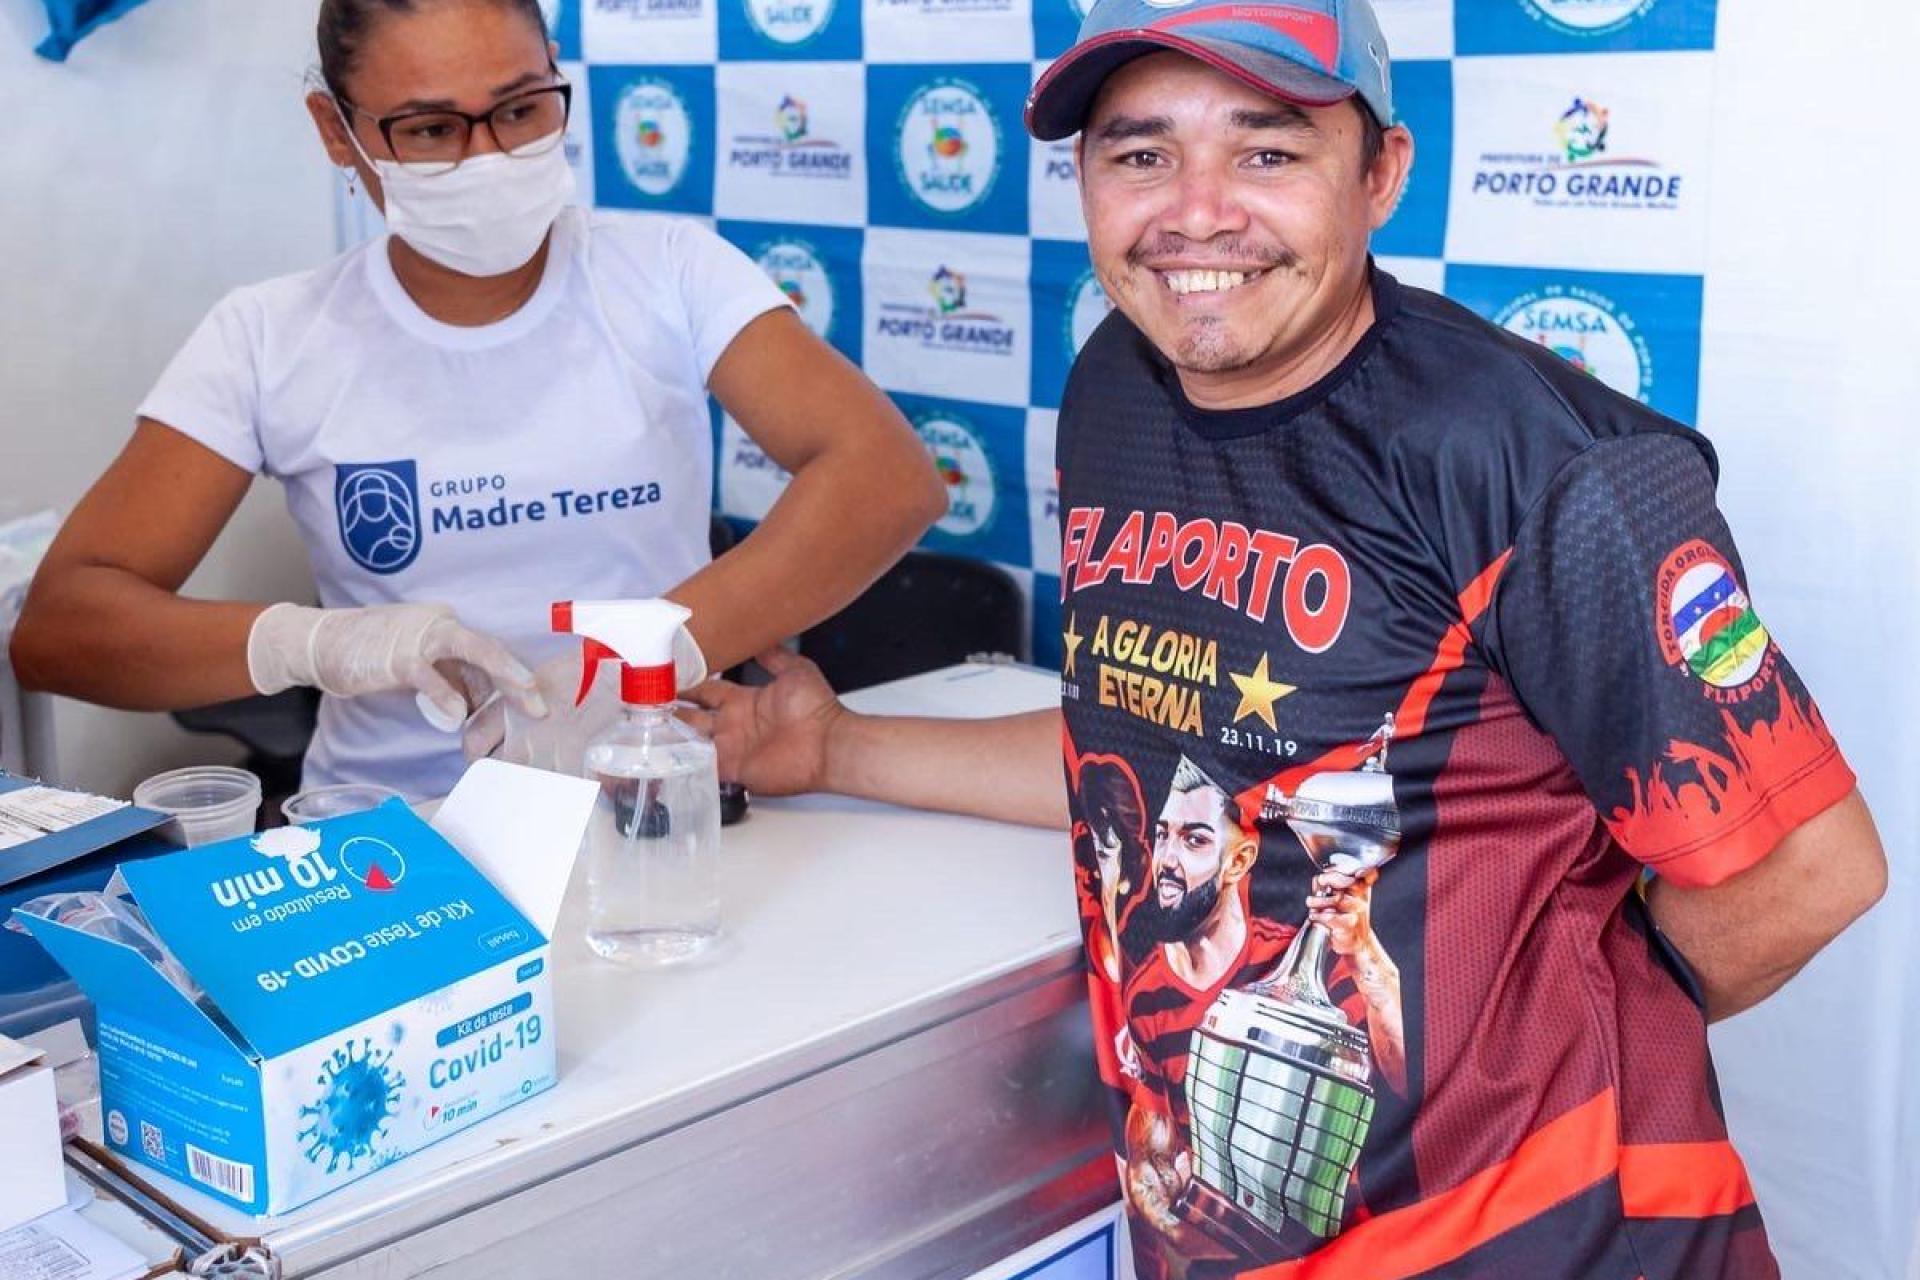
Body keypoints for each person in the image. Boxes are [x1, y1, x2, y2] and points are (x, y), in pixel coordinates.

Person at [687, 0, 1888, 1274]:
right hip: (1222, 1237)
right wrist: (832, 748)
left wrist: (1553, 1047)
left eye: (1268, 150)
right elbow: (1151, 754)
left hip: (1542, 1245)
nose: (1196, 213)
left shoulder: (1541, 464)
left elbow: (1810, 868)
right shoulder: (1117, 387)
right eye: (1139, 153)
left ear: (1379, 174)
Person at [9, 0, 943, 799]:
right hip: (388, 842)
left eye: (521, 109)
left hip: (653, 800)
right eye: (430, 128)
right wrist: (318, 644)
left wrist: (631, 670)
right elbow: (63, 630)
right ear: (339, 133)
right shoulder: (269, 336)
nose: (489, 156)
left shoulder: (667, 273)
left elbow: (887, 480)